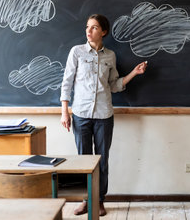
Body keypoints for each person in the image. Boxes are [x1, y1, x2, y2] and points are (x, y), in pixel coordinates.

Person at [60, 14, 147, 216]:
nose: (88, 31)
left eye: (94, 27)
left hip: (104, 115)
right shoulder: (77, 52)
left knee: (102, 160)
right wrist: (65, 112)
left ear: (103, 31)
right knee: (83, 160)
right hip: (80, 114)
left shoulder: (111, 56)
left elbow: (114, 85)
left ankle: (99, 200)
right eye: (87, 27)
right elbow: (67, 82)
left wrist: (134, 73)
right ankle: (85, 199)